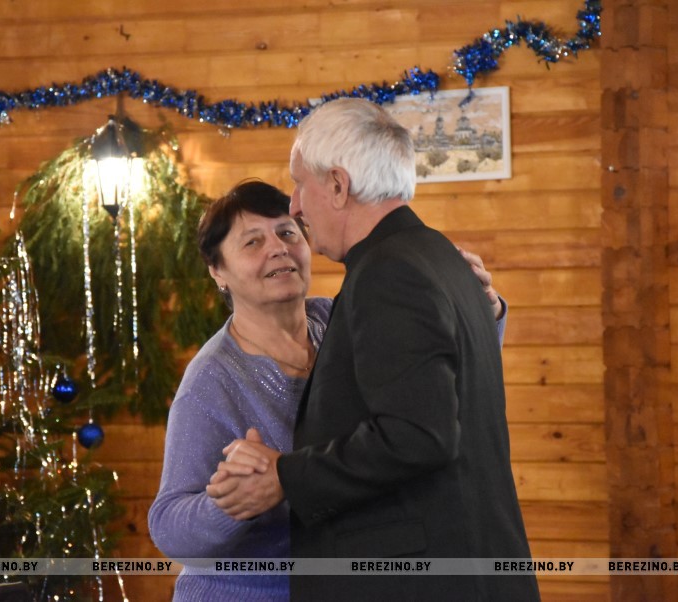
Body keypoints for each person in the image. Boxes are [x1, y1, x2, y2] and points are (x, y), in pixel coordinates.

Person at [206, 98, 540, 601]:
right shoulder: (438, 255)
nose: (295, 205)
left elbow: (417, 435)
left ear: (338, 186)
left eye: (300, 184)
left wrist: (284, 476)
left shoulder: (388, 273)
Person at [148, 180, 507, 601]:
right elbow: (168, 525)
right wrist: (231, 502)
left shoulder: (334, 315)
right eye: (252, 242)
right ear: (218, 271)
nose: (278, 248)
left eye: (288, 232)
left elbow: (423, 381)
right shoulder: (211, 380)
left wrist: (480, 313)